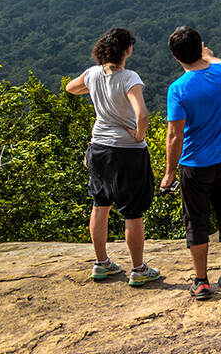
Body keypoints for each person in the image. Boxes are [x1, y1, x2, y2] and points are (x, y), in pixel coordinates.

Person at [66, 27, 162, 287]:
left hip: (98, 149)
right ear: (127, 50)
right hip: (126, 153)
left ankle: (101, 263)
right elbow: (142, 115)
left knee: (100, 203)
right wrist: (139, 136)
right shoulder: (129, 77)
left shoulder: (92, 74)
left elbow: (70, 88)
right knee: (132, 211)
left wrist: (98, 90)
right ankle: (138, 269)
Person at [161, 26, 221, 301]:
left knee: (197, 222)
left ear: (175, 57)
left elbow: (174, 135)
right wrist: (209, 55)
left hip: (194, 165)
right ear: (202, 47)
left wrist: (169, 173)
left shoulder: (178, 90)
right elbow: (218, 61)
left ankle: (201, 281)